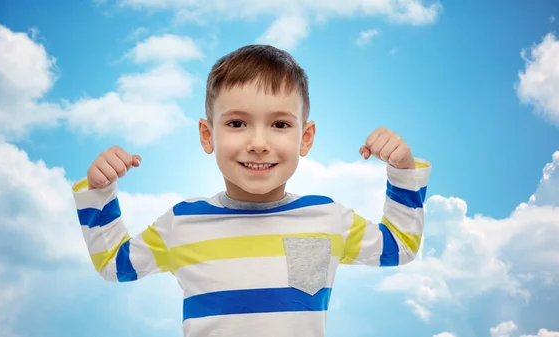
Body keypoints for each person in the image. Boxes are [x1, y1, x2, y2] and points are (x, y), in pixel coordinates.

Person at [71, 44, 431, 337]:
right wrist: (101, 193)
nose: (258, 143)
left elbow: (399, 248)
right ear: (207, 135)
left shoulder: (327, 217)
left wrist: (402, 172)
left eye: (279, 123)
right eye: (237, 123)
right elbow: (114, 266)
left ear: (304, 138)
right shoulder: (182, 222)